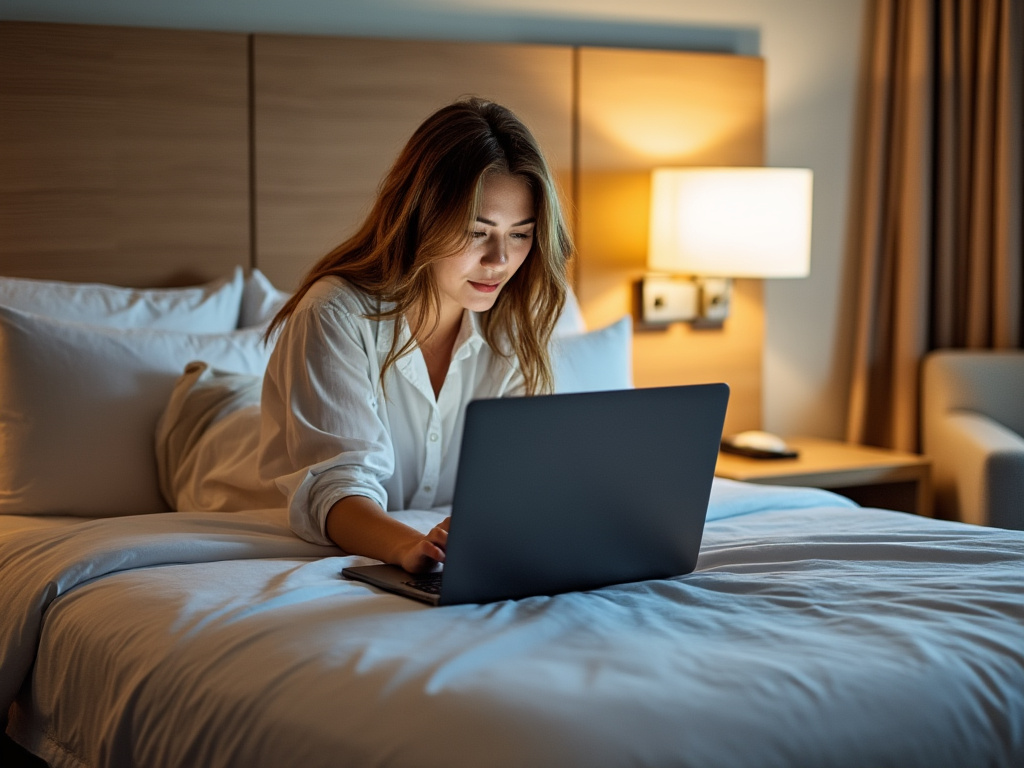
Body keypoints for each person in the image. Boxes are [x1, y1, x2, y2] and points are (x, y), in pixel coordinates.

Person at [256, 97, 574, 572]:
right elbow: (334, 486)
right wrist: (408, 547)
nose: (499, 261)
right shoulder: (334, 314)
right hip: (219, 454)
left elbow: (521, 481)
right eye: (476, 232)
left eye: (520, 234)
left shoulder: (516, 323)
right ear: (421, 217)